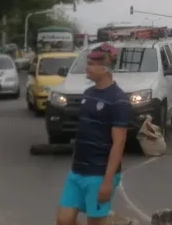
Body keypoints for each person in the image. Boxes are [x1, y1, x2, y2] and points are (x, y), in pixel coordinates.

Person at [56, 43, 130, 225]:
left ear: (104, 69)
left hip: (98, 174)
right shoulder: (88, 93)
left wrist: (108, 181)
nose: (86, 68)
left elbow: (118, 143)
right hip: (77, 171)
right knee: (63, 221)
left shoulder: (118, 100)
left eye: (90, 64)